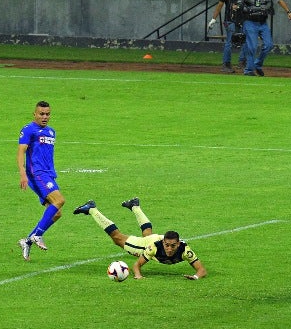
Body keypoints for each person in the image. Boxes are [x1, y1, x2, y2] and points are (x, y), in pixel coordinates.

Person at [73, 197, 207, 280]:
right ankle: (92, 209)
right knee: (118, 238)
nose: (169, 249)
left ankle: (135, 206)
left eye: (173, 246)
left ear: (178, 244)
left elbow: (202, 270)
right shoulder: (154, 248)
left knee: (149, 235)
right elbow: (137, 265)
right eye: (167, 245)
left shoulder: (185, 251)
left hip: (154, 239)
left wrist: (195, 277)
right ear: (164, 242)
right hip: (147, 244)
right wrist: (138, 275)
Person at [17, 100, 66, 261]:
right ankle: (38, 235)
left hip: (48, 175)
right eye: (41, 114)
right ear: (35, 114)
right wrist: (22, 173)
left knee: (57, 213)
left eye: (47, 114)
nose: (45, 117)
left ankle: (27, 241)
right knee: (59, 200)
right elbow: (21, 152)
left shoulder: (51, 132)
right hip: (36, 174)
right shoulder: (28, 130)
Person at [240, 0, 291, 76]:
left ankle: (258, 64)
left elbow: (279, 0)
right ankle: (248, 70)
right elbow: (237, 2)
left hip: (262, 22)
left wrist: (288, 11)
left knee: (269, 45)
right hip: (249, 21)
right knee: (252, 47)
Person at [208, 0, 248, 73]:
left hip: (241, 19)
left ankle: (241, 61)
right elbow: (220, 4)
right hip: (231, 19)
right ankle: (227, 64)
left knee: (245, 40)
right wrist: (213, 18)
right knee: (231, 42)